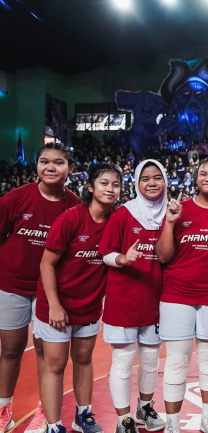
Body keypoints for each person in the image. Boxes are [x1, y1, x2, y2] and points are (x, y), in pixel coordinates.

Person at [0, 143, 81, 433]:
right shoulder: (15, 198)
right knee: (10, 349)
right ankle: (3, 410)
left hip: (51, 291)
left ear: (70, 168)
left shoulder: (75, 207)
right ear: (36, 166)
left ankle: (44, 412)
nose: (50, 167)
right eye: (44, 161)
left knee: (47, 352)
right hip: (12, 284)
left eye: (58, 162)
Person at [35, 163, 122, 433]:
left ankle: (82, 416)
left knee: (84, 359)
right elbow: (46, 264)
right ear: (90, 187)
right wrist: (55, 305)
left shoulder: (117, 220)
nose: (110, 189)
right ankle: (53, 425)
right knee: (55, 365)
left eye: (116, 184)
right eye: (104, 183)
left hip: (89, 306)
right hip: (57, 306)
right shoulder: (71, 218)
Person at [155, 157, 208, 433]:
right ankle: (172, 424)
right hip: (176, 295)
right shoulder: (180, 210)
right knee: (177, 360)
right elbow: (163, 256)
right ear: (196, 177)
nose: (207, 177)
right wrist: (170, 223)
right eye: (203, 173)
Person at [99, 160, 168, 433]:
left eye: (157, 177)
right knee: (123, 362)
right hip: (124, 299)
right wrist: (122, 258)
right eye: (145, 179)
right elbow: (105, 253)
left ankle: (145, 408)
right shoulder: (123, 214)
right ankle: (124, 419)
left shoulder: (171, 214)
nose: (151, 183)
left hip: (156, 301)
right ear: (137, 183)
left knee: (150, 360)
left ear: (165, 181)